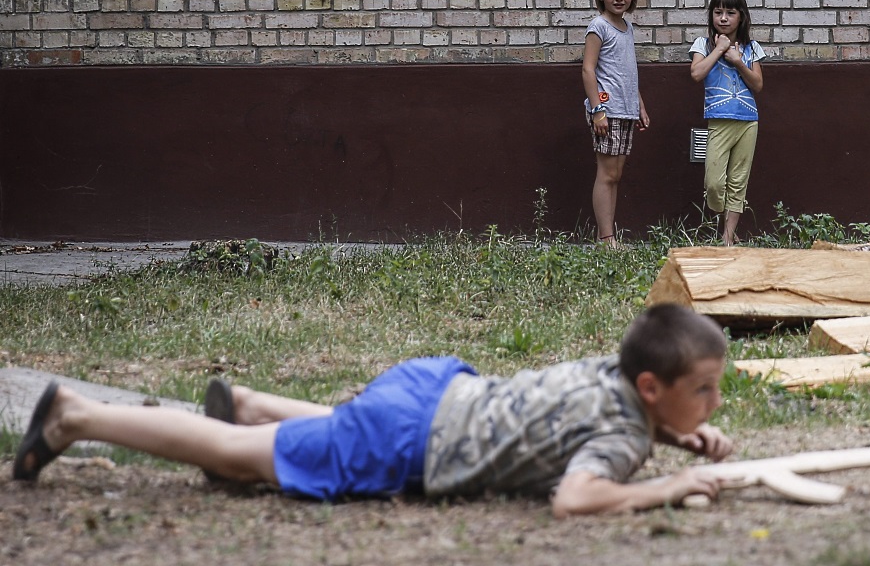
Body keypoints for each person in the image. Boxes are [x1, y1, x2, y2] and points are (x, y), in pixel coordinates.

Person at [12, 304, 733, 518]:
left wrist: (678, 434)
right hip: (411, 442)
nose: (713, 402)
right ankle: (76, 416)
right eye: (702, 389)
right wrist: (665, 483)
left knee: (335, 432)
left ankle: (251, 402)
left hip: (433, 389)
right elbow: (577, 497)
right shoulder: (623, 440)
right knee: (235, 460)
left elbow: (586, 424)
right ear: (650, 389)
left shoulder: (611, 378)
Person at [688, 0, 765, 246]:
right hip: (719, 120)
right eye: (718, 12)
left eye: (730, 13)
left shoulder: (752, 48)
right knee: (713, 183)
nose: (723, 18)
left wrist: (738, 60)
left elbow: (758, 85)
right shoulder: (703, 44)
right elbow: (696, 74)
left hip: (747, 121)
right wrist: (720, 50)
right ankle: (720, 216)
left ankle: (728, 237)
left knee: (738, 180)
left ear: (740, 17)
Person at [582, 0, 650, 249]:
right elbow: (588, 70)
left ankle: (609, 237)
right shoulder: (598, 27)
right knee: (607, 174)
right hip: (607, 112)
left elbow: (628, 71)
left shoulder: (627, 26)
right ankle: (606, 238)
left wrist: (640, 107)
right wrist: (598, 110)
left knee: (616, 175)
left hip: (625, 110)